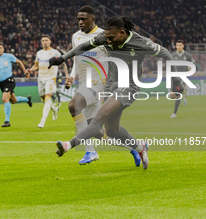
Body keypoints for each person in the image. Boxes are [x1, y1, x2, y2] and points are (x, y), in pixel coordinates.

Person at [49, 16, 183, 170]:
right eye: (107, 38)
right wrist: (62, 58)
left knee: (99, 117)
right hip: (111, 85)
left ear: (122, 33)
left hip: (129, 87)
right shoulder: (106, 37)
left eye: (111, 38)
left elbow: (165, 53)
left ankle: (68, 145)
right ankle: (140, 146)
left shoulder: (140, 42)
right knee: (112, 131)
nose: (108, 41)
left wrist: (176, 79)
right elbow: (83, 47)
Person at [64, 5, 140, 165]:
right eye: (78, 19)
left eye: (83, 18)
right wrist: (71, 76)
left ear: (93, 18)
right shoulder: (75, 36)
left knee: (73, 105)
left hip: (100, 84)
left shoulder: (104, 36)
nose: (80, 22)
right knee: (99, 132)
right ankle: (134, 147)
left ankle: (90, 152)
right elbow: (77, 60)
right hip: (86, 84)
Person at [26, 35, 68, 128]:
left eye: (46, 40)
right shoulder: (39, 53)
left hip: (51, 78)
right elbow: (36, 65)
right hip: (41, 78)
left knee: (48, 98)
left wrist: (67, 75)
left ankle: (42, 121)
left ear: (50, 42)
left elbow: (64, 62)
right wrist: (30, 70)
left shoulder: (55, 52)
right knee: (43, 99)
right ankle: (55, 110)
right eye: (43, 40)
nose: (44, 42)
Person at [0, 42, 32, 127]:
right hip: (1, 83)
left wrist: (25, 71)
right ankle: (27, 99)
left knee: (4, 99)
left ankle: (7, 121)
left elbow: (19, 62)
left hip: (9, 80)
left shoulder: (9, 56)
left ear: (3, 49)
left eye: (0, 48)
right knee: (13, 100)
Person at [170, 40, 194, 118]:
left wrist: (190, 66)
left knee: (178, 94)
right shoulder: (173, 55)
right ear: (176, 46)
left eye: (180, 45)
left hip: (183, 76)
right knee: (172, 95)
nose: (179, 47)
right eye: (177, 45)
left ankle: (174, 113)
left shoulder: (187, 55)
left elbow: (192, 62)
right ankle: (183, 95)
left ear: (183, 46)